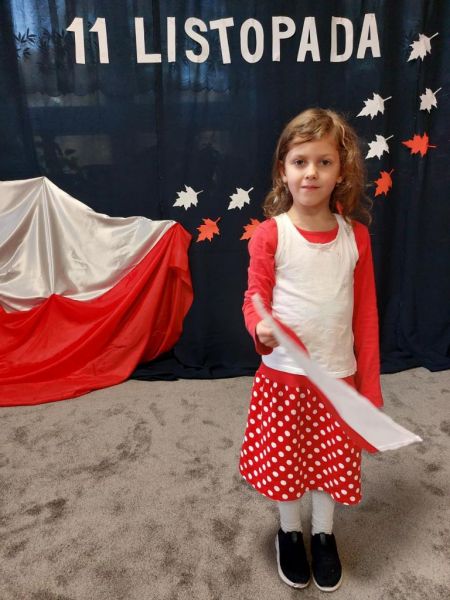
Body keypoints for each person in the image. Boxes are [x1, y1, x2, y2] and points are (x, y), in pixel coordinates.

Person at [239, 107, 383, 592]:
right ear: (283, 169)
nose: (311, 173)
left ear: (341, 171)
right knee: (287, 460)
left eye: (324, 162)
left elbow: (366, 318)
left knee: (329, 460)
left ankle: (323, 534)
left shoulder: (355, 237)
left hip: (337, 376)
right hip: (285, 377)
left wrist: (369, 388)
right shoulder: (271, 234)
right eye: (300, 161)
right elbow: (254, 297)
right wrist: (260, 326)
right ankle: (289, 532)